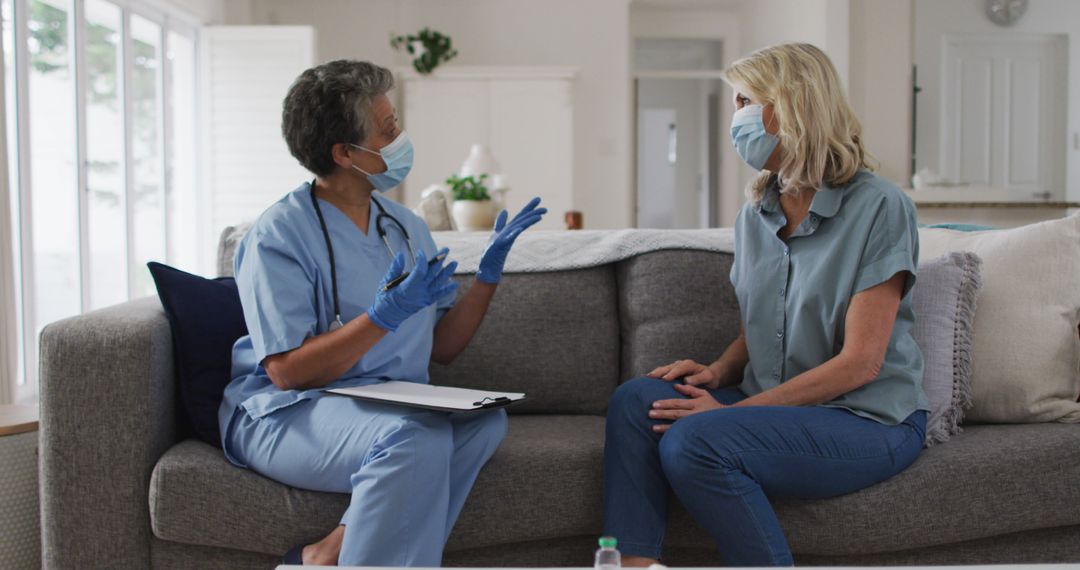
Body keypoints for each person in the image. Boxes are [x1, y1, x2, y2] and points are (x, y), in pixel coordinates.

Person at [602, 43, 930, 567]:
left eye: (743, 102)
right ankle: (633, 564)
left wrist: (727, 414)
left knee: (696, 443)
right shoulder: (757, 213)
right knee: (637, 399)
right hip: (776, 406)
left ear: (788, 106)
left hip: (868, 420)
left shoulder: (879, 207)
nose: (737, 119)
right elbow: (764, 323)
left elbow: (862, 361)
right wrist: (718, 372)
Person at [216, 59, 546, 567]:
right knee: (411, 439)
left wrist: (487, 278)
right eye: (387, 129)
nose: (400, 139)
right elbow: (286, 372)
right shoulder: (278, 236)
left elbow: (442, 348)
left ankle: (329, 553)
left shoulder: (405, 225)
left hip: (381, 402)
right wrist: (383, 317)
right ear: (345, 153)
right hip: (288, 411)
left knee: (483, 424)